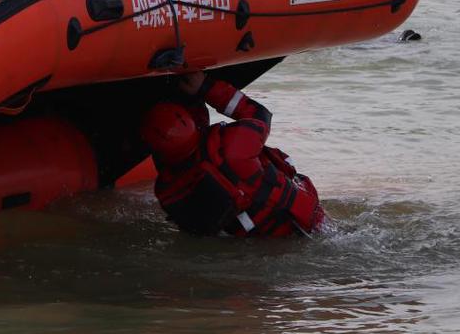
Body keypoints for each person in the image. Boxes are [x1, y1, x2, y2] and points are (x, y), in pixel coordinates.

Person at [137, 71, 325, 237]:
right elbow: (260, 115)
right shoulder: (231, 149)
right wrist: (206, 87)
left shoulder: (167, 190)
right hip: (305, 224)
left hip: (258, 239)